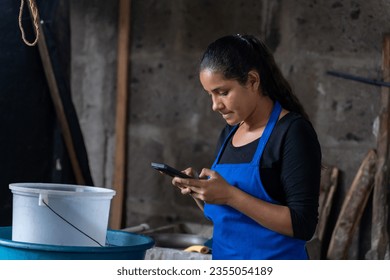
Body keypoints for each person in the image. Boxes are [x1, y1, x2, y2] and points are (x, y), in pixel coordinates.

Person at [172, 34, 322, 260]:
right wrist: (203, 193)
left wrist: (230, 195)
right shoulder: (228, 134)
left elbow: (303, 225)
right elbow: (232, 219)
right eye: (210, 95)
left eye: (223, 92)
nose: (215, 105)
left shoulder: (292, 132)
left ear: (252, 81)